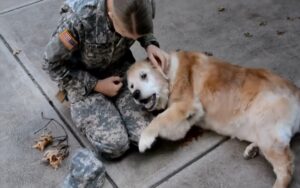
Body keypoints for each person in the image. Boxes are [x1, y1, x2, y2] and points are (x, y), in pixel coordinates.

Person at [43, 0, 168, 159]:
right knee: (116, 146)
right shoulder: (78, 21)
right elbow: (51, 64)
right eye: (126, 34)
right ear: (111, 17)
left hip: (118, 68)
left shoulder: (144, 3)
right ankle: (77, 103)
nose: (131, 39)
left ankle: (114, 106)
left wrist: (149, 44)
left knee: (148, 137)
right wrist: (96, 85)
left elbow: (140, 26)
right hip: (82, 79)